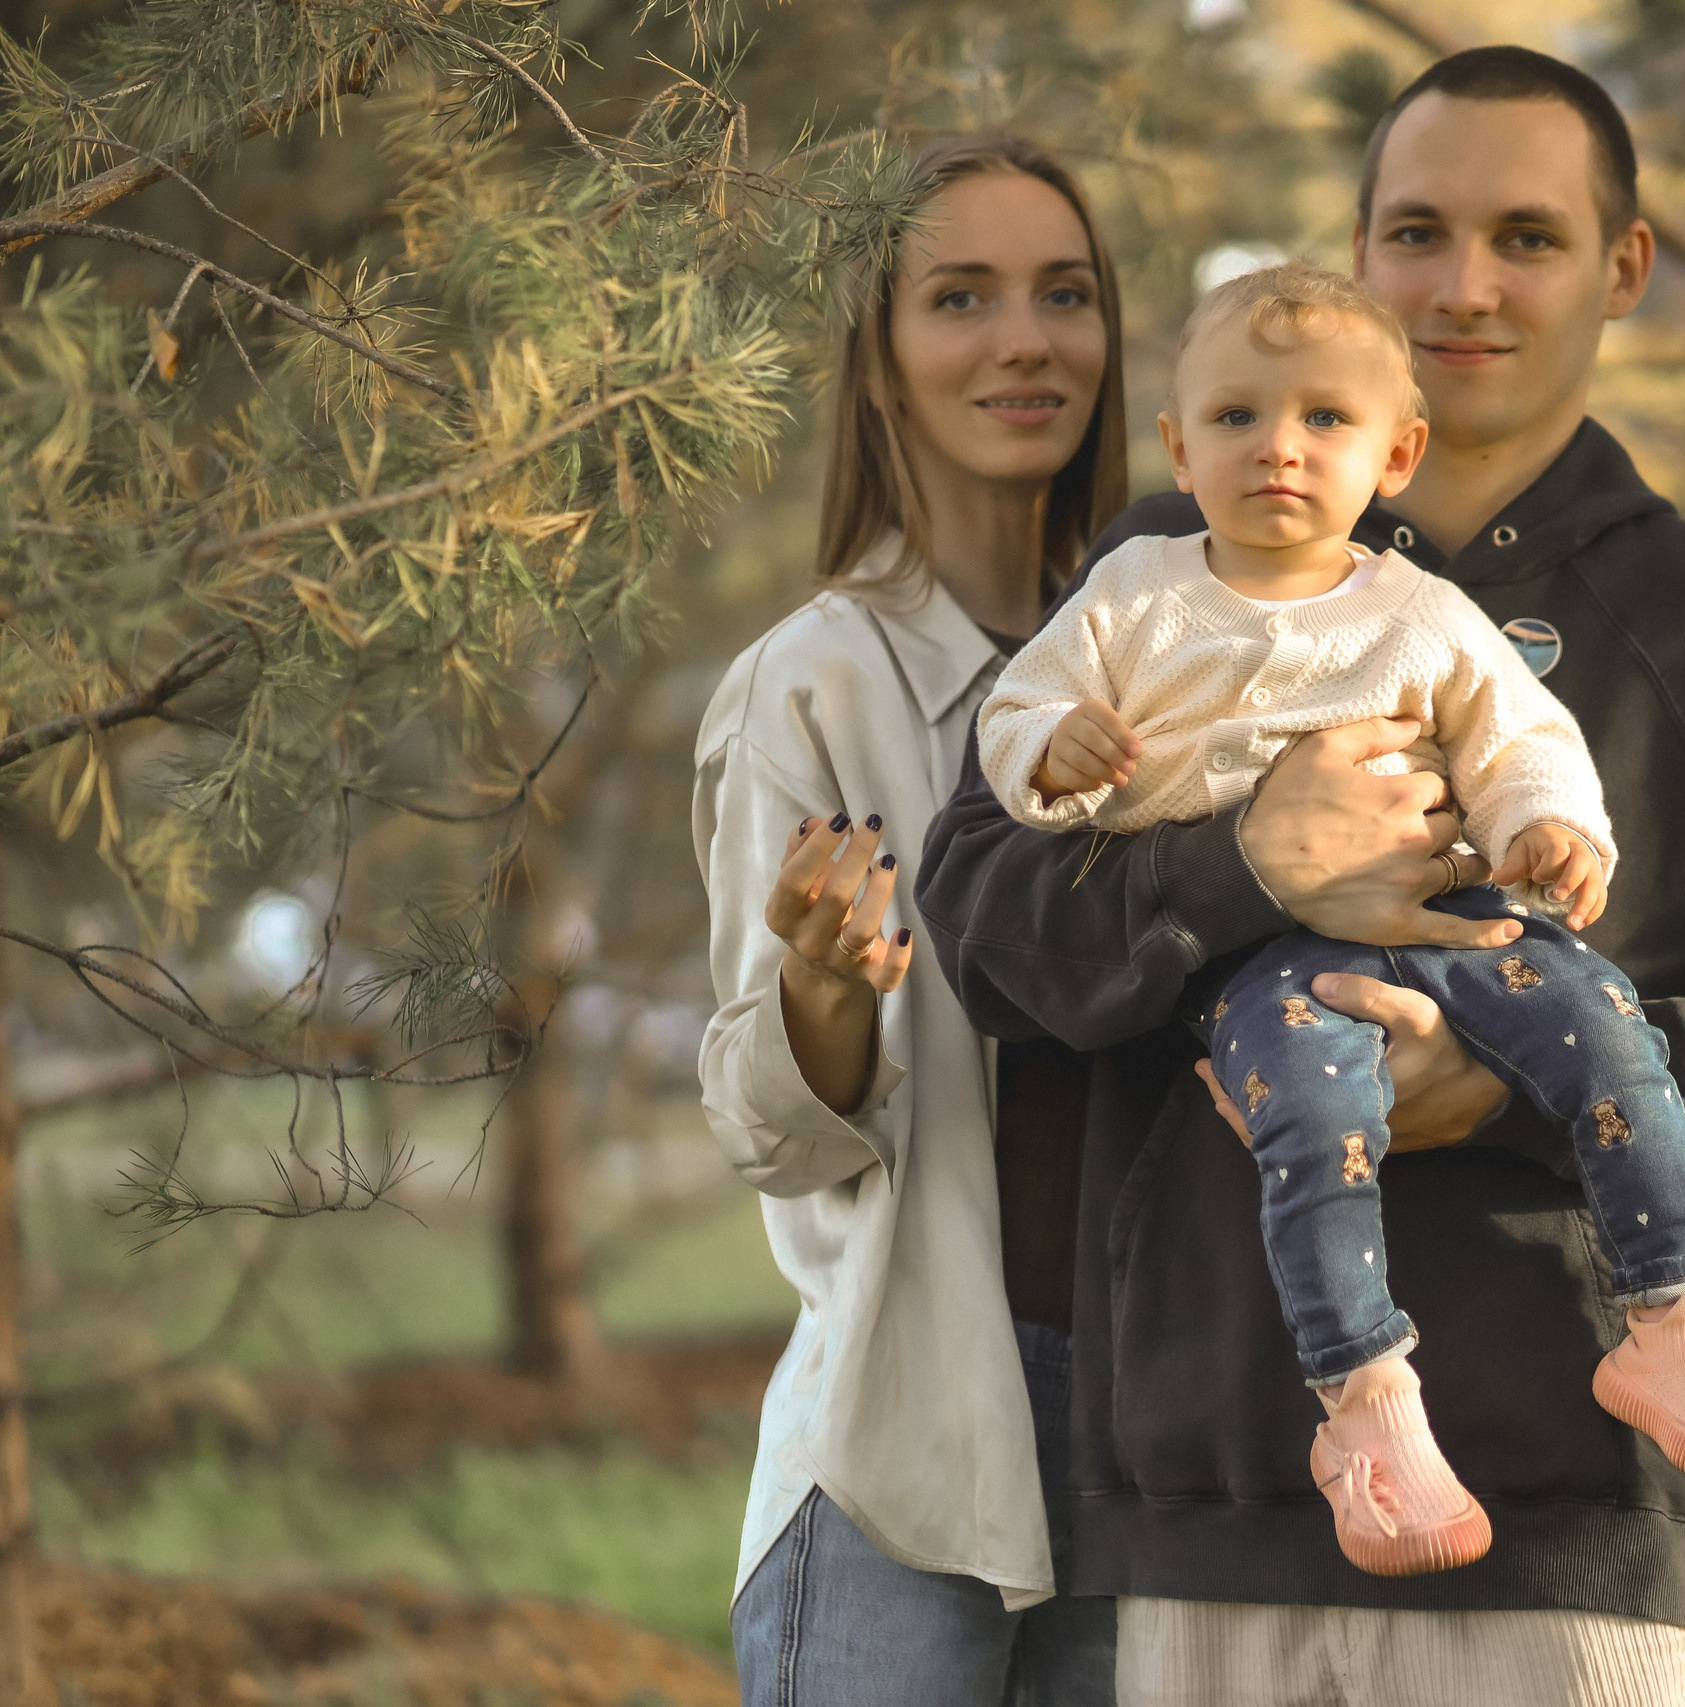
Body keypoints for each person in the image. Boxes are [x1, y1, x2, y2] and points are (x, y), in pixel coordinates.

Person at [919, 46, 1685, 1707]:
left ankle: (1670, 1349)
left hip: (1581, 1533)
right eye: (1416, 231)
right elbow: (978, 929)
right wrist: (1238, 865)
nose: (1465, 284)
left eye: (1528, 238)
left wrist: (1519, 1082)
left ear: (1624, 268)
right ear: (1357, 251)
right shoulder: (1148, 581)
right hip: (1209, 1498)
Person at [975, 262, 1685, 1580]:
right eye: (1238, 419)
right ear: (1179, 450)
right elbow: (1013, 717)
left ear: (1396, 452)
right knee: (1313, 1118)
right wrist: (1055, 749)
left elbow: (1519, 732)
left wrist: (1552, 829)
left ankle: (1675, 1326)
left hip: (1457, 913)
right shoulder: (1135, 593)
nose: (1280, 449)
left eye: (1324, 420)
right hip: (1263, 952)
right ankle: (1366, 1405)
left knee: (1607, 1025)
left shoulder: (1419, 615)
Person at [692, 133, 1127, 1707]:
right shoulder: (811, 684)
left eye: (1064, 294)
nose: (1025, 338)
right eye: (962, 296)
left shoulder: (1180, 646)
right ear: (878, 364)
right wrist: (822, 987)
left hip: (1160, 1450)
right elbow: (768, 1128)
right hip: (903, 1449)